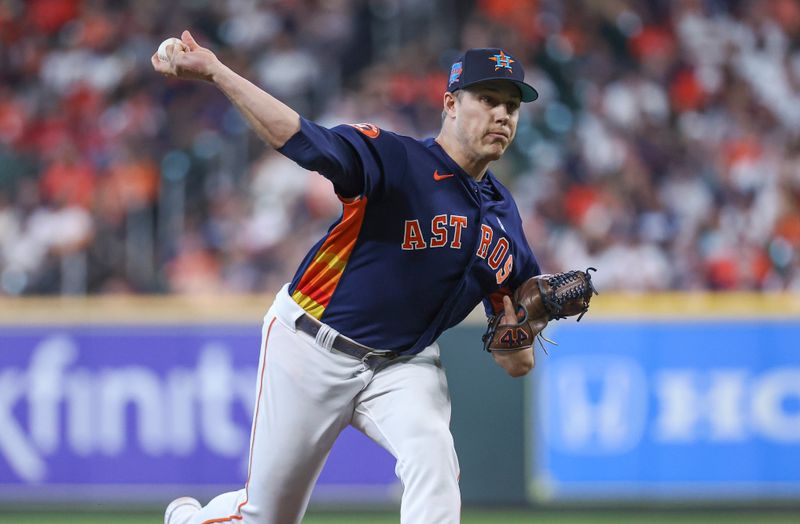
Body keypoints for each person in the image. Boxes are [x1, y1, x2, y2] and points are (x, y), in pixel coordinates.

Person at [154, 31, 541, 524]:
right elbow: (297, 136)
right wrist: (216, 72)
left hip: (404, 364)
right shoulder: (397, 160)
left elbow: (517, 360)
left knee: (433, 458)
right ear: (449, 103)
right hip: (312, 345)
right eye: (487, 99)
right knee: (267, 517)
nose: (502, 115)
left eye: (512, 105)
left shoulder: (504, 218)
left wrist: (524, 327)